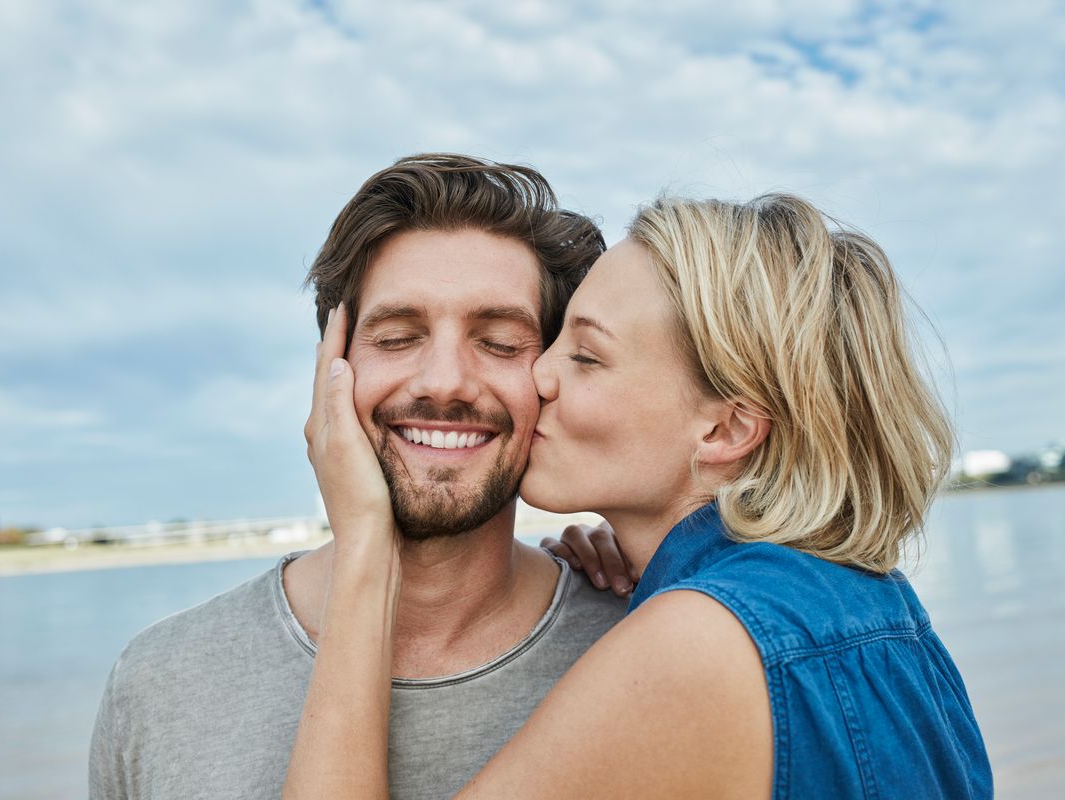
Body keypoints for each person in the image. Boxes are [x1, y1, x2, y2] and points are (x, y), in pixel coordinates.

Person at [285, 194, 993, 798]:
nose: (538, 378)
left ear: (726, 426)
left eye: (585, 356)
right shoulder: (877, 605)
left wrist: (366, 549)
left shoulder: (696, 645)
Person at [88, 154, 627, 800]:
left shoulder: (641, 643)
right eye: (398, 337)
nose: (445, 382)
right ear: (330, 367)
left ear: (553, 378)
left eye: (501, 342)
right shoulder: (159, 683)